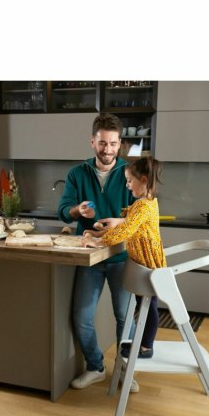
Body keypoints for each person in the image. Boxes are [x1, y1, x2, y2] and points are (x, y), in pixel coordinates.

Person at [57, 112, 137, 391]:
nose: (107, 149)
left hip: (121, 256)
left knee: (124, 316)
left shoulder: (130, 173)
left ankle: (126, 370)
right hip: (89, 257)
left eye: (113, 143)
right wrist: (77, 210)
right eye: (102, 143)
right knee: (81, 317)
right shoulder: (77, 174)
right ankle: (96, 367)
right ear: (92, 142)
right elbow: (63, 212)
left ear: (120, 144)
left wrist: (120, 222)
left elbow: (141, 215)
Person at [82, 156, 166, 360]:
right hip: (143, 264)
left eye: (130, 180)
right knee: (144, 305)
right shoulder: (144, 202)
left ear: (143, 180)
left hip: (148, 266)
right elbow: (126, 225)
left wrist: (99, 243)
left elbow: (126, 230)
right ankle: (142, 344)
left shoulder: (143, 206)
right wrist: (99, 234)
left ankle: (146, 346)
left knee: (148, 307)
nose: (127, 185)